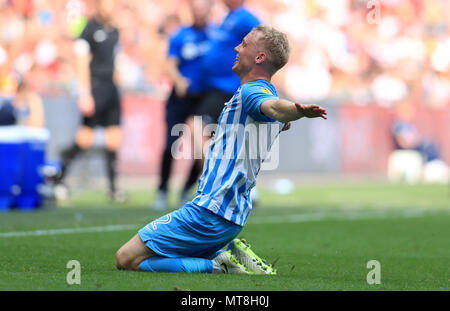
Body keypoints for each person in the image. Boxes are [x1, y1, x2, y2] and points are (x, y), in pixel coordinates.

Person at [115, 25, 327, 274]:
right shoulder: (262, 92)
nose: (237, 48)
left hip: (207, 213)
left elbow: (274, 108)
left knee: (126, 258)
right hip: (231, 216)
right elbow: (275, 114)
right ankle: (225, 252)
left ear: (260, 57)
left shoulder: (252, 92)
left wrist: (297, 111)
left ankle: (218, 264)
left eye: (245, 44)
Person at [53, 0, 125, 202]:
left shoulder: (115, 31)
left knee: (114, 139)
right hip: (95, 87)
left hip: (111, 89)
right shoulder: (89, 30)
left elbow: (115, 58)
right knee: (84, 139)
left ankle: (113, 189)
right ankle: (58, 178)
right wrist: (85, 93)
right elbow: (81, 62)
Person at [153, 0, 214, 211]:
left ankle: (186, 189)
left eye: (202, 11)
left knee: (201, 147)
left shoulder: (216, 36)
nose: (199, 15)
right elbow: (169, 65)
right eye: (195, 11)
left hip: (203, 98)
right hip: (180, 98)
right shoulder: (180, 35)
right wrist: (179, 81)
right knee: (171, 143)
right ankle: (162, 189)